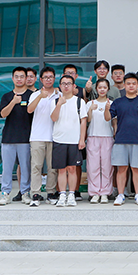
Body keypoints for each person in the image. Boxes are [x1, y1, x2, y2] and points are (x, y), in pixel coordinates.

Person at [108, 72, 138, 205]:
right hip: (121, 140)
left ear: (137, 85)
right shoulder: (118, 102)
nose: (131, 86)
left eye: (133, 83)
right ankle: (120, 195)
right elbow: (108, 117)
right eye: (128, 83)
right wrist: (106, 109)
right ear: (124, 85)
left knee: (136, 169)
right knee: (121, 169)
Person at [0, 67, 35, 206]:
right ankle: (5, 194)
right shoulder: (6, 96)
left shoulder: (32, 95)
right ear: (12, 78)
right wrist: (13, 102)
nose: (19, 79)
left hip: (26, 138)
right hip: (8, 138)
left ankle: (25, 193)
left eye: (22, 76)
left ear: (26, 78)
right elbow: (2, 114)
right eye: (16, 76)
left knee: (25, 168)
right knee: (7, 168)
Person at [47, 77, 89, 207]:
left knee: (72, 168)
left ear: (74, 86)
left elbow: (83, 121)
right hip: (59, 139)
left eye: (69, 84)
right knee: (61, 170)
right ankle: (62, 194)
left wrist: (82, 139)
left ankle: (71, 194)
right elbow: (53, 118)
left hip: (74, 140)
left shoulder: (79, 102)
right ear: (59, 86)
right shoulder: (54, 101)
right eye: (63, 84)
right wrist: (59, 104)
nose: (66, 86)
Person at [25, 67, 60, 205]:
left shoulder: (59, 94)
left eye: (51, 77)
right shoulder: (35, 94)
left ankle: (51, 192)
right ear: (41, 79)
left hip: (54, 136)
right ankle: (35, 193)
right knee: (36, 166)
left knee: (53, 167)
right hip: (37, 136)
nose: (48, 79)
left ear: (54, 78)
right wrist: (40, 96)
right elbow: (29, 110)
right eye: (45, 77)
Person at [84, 78, 116, 203]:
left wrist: (115, 134)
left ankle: (105, 193)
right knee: (93, 166)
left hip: (107, 137)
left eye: (104, 87)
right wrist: (91, 109)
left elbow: (114, 122)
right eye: (100, 87)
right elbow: (87, 120)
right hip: (93, 136)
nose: (102, 90)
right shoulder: (90, 103)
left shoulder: (112, 103)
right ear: (96, 89)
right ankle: (94, 193)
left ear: (108, 89)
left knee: (107, 166)